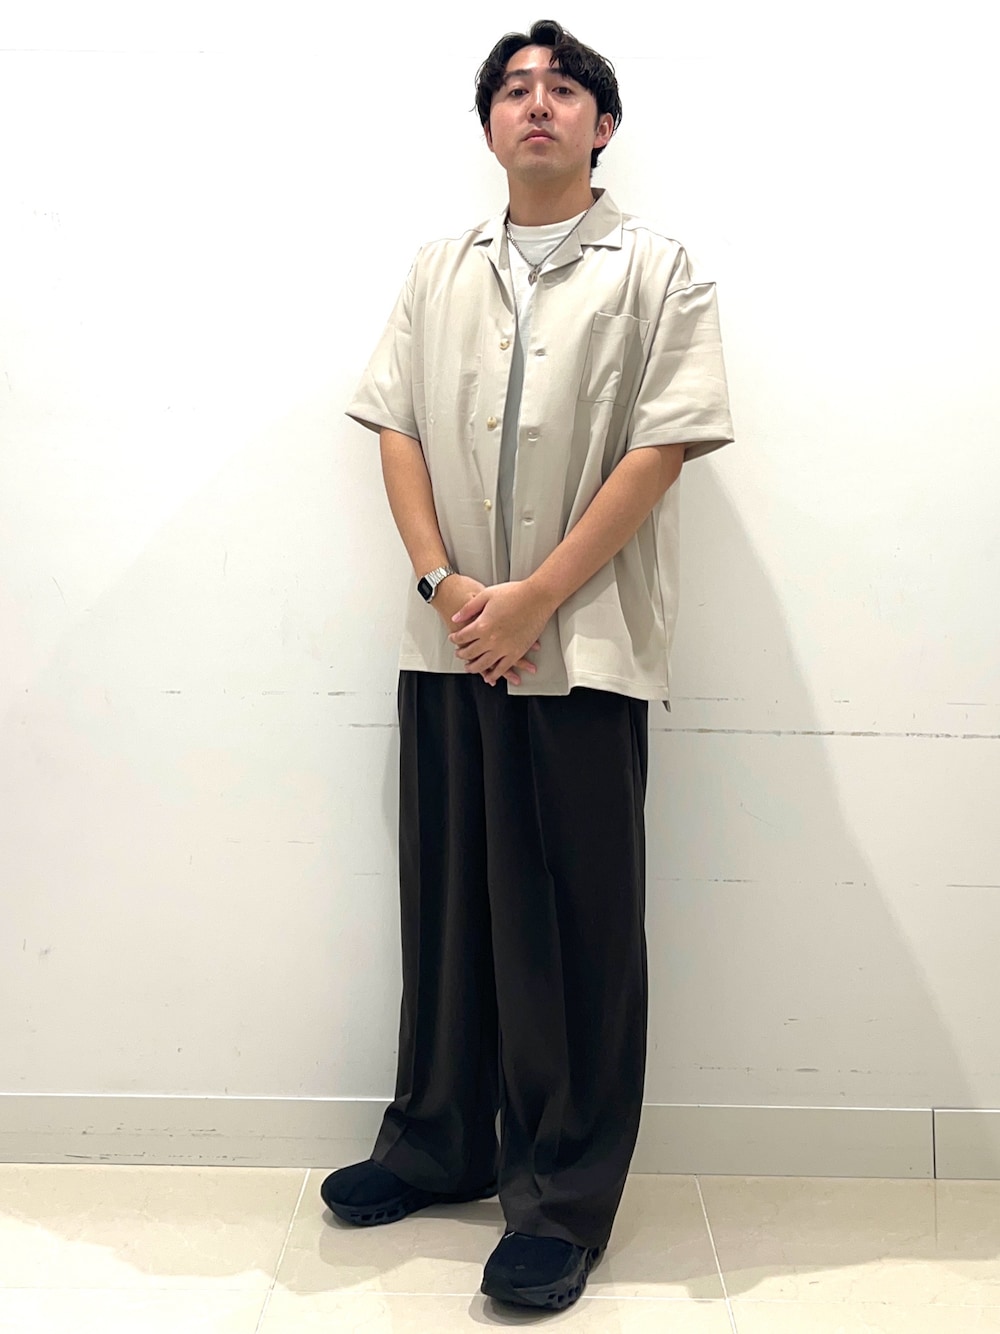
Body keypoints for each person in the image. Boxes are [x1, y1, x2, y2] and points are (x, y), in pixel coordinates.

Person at [322, 18, 734, 1311]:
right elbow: (395, 425)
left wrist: (537, 599)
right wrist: (446, 586)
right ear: (490, 126)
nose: (537, 103)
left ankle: (560, 1198)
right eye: (514, 88)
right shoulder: (438, 269)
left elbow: (662, 450)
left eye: (563, 88)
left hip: (583, 647)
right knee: (448, 906)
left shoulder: (659, 270)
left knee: (573, 926)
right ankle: (437, 1140)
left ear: (603, 126)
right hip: (449, 640)